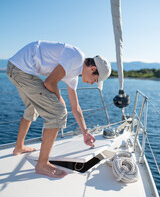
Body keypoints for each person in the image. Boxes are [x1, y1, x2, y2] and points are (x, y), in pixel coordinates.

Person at [7, 40, 111, 178]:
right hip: (22, 70)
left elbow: (76, 107)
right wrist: (59, 100)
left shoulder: (73, 74)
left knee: (34, 107)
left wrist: (85, 132)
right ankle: (42, 164)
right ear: (92, 69)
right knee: (58, 113)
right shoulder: (77, 57)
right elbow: (49, 82)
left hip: (17, 67)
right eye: (96, 80)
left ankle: (19, 147)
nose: (93, 83)